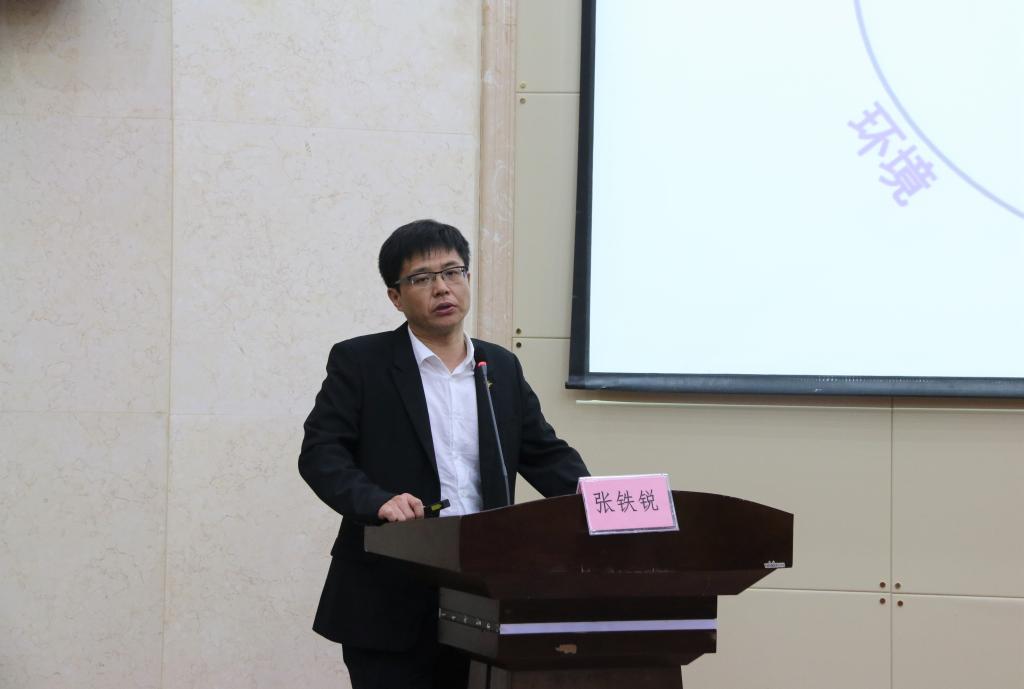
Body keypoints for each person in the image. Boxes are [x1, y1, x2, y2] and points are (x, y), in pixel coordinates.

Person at [299, 219, 589, 689]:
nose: (442, 287)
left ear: (468, 279)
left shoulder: (499, 366)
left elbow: (546, 455)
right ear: (395, 296)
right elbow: (321, 453)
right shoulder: (362, 362)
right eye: (422, 278)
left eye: (453, 272)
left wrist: (599, 502)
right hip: (389, 592)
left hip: (483, 593)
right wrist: (376, 501)